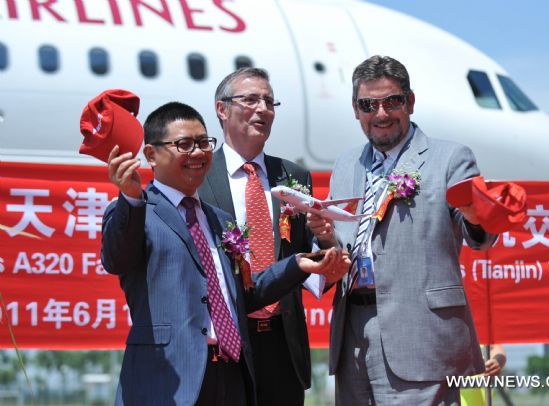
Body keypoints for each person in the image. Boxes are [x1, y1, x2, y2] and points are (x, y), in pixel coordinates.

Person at [101, 101, 344, 405]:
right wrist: (130, 198)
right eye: (184, 145)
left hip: (231, 376)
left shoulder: (219, 220)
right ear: (151, 154)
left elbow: (244, 294)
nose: (199, 153)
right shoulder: (138, 211)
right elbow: (116, 258)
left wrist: (297, 265)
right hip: (169, 380)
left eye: (203, 143)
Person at [307, 55, 498, 404]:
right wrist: (324, 235)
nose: (380, 114)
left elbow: (479, 235)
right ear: (356, 109)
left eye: (392, 101)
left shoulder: (450, 158)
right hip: (353, 332)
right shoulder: (347, 164)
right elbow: (342, 243)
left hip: (422, 334)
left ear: (410, 102)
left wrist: (475, 214)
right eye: (369, 104)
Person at [198, 67, 327, 406]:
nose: (263, 109)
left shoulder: (294, 176)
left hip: (283, 345)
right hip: (223, 345)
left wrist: (326, 242)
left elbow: (305, 257)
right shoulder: (199, 175)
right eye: (251, 100)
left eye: (269, 102)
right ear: (221, 109)